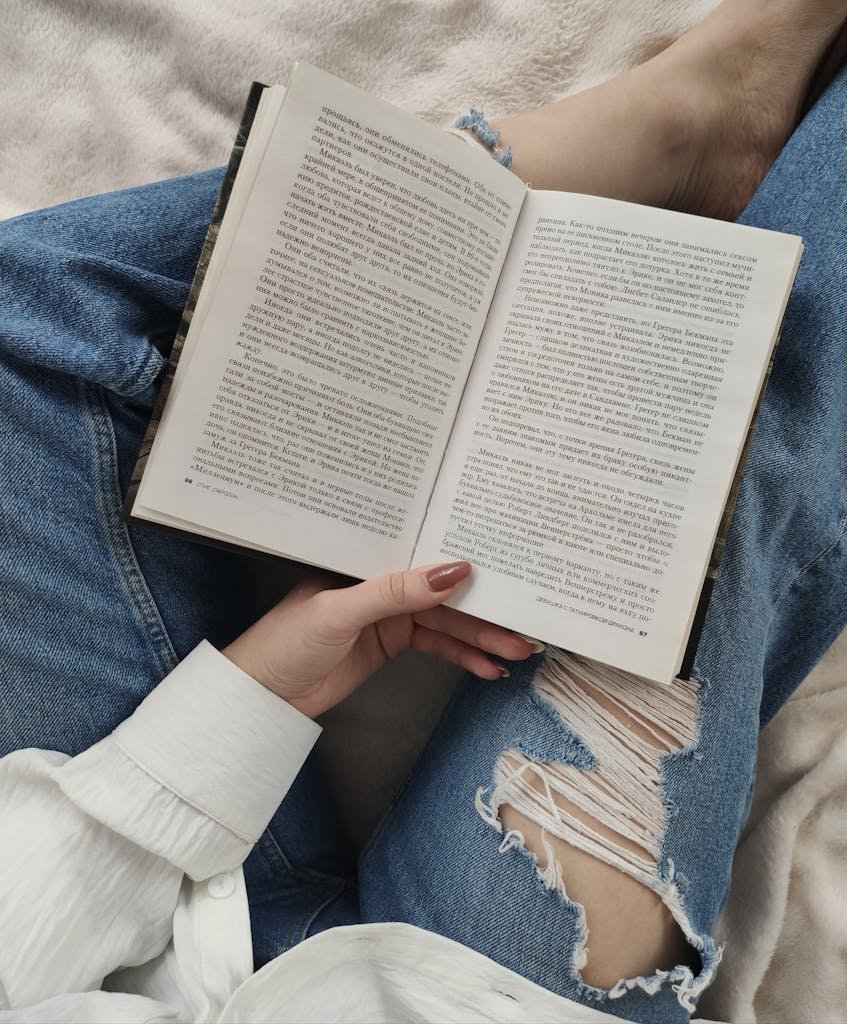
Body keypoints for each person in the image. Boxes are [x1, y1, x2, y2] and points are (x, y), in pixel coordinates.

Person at [1, 0, 845, 1020]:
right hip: (454, 1001)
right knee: (708, 470)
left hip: (119, 921)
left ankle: (662, 132)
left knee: (28, 318)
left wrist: (253, 689)